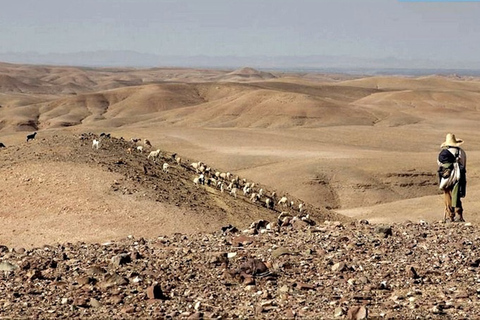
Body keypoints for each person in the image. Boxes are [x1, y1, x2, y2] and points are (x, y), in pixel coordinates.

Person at [437, 133, 467, 222]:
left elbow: (440, 164)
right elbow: (464, 164)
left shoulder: (444, 153)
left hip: (447, 175)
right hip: (459, 175)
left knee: (447, 194)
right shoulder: (462, 152)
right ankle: (459, 214)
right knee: (456, 194)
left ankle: (450, 215)